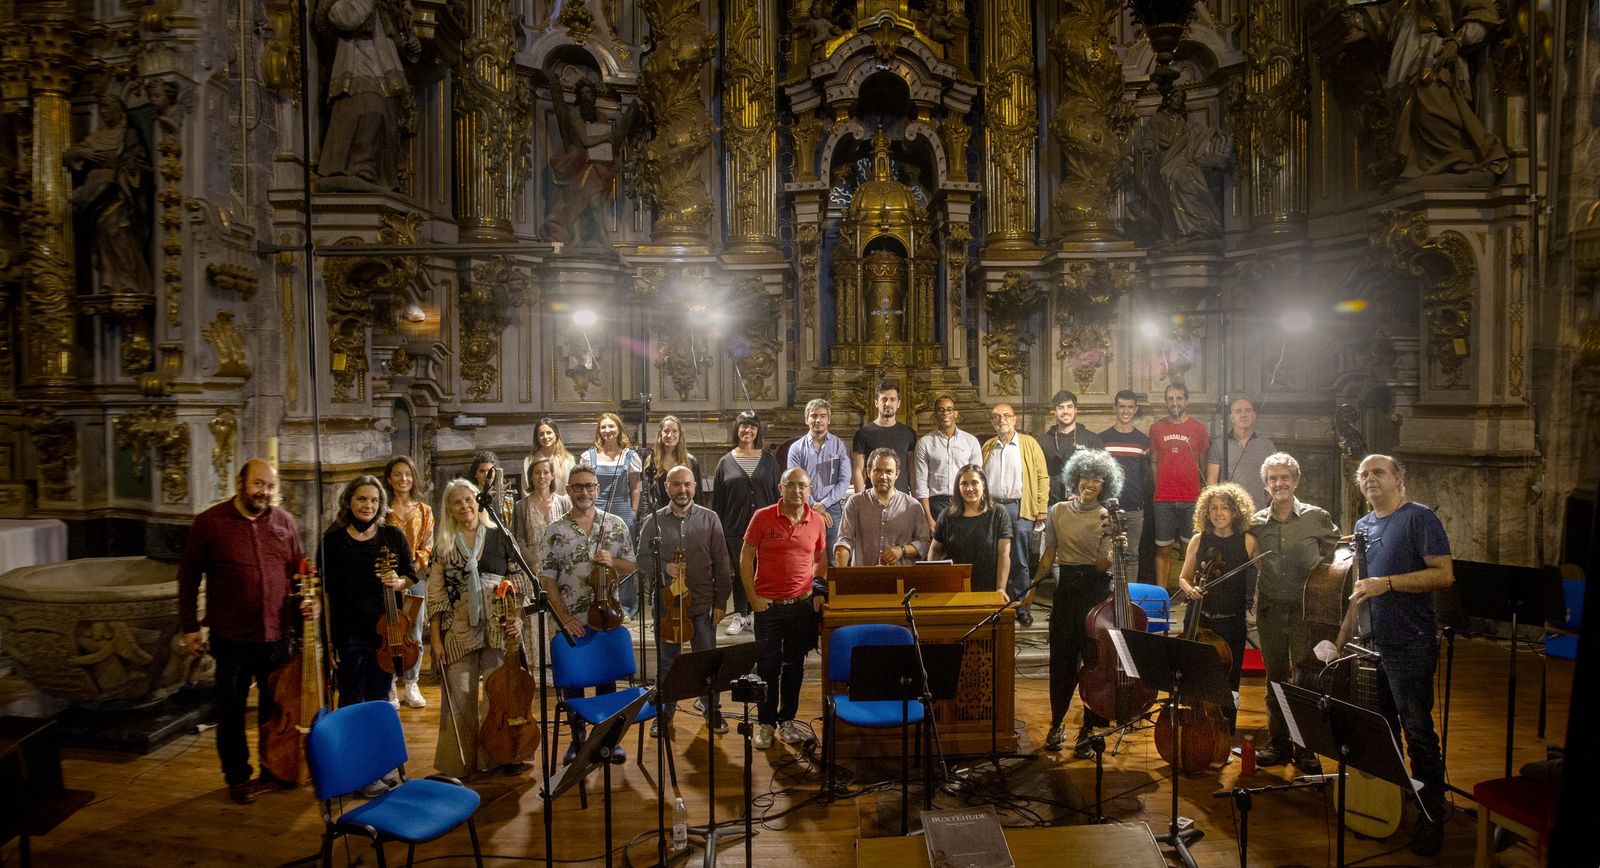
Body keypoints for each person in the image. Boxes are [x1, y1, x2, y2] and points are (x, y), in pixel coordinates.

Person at [1325, 454, 1453, 857]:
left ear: (1398, 478)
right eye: (1363, 474)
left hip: (1409, 642)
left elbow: (1444, 574)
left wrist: (1390, 583)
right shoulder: (1363, 526)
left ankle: (1432, 817)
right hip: (1370, 644)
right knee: (1381, 732)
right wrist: (1342, 639)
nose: (1369, 479)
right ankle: (1388, 804)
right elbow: (1361, 590)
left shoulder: (1419, 518)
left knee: (1416, 731)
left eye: (1378, 472)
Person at [177, 458, 315, 805]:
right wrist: (190, 628)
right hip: (231, 636)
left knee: (275, 711)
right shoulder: (210, 523)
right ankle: (238, 777)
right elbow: (188, 578)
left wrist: (310, 602)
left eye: (269, 486)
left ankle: (274, 768)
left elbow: (301, 569)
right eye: (258, 484)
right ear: (239, 483)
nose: (264, 492)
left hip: (277, 635)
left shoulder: (284, 521)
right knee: (232, 711)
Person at [426, 478, 535, 779]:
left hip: (499, 626)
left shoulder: (499, 535)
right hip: (459, 628)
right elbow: (435, 597)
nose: (465, 505)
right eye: (457, 502)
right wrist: (435, 642)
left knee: (498, 696)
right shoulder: (444, 545)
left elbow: (521, 581)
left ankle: (497, 756)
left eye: (469, 499)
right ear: (449, 509)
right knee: (459, 697)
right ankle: (458, 765)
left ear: (478, 501)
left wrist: (518, 619)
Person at [539, 464, 638, 764]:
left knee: (607, 680)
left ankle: (607, 739)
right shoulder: (555, 530)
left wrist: (612, 563)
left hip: (607, 614)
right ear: (568, 491)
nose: (584, 492)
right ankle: (578, 740)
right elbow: (548, 579)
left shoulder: (617, 524)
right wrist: (564, 618)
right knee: (575, 684)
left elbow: (631, 566)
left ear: (598, 489)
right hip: (571, 621)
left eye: (589, 486)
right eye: (578, 487)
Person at [1031, 450, 1125, 757]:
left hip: (1096, 594)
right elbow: (1050, 554)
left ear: (1104, 484)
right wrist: (1031, 588)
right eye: (1085, 477)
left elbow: (1101, 566)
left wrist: (1112, 548)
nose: (1090, 483)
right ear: (1075, 478)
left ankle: (1088, 730)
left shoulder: (1106, 516)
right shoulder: (1057, 511)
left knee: (1095, 664)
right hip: (1067, 592)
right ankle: (1057, 724)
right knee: (1061, 663)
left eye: (1097, 479)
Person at [1248, 452, 1338, 773]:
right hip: (1271, 610)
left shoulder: (1317, 518)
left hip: (1305, 613)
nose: (1279, 483)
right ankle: (1279, 741)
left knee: (1305, 680)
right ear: (1266, 485)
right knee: (1275, 678)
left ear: (1296, 481)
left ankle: (1305, 746)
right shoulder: (1256, 522)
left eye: (1284, 477)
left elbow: (1335, 554)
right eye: (1272, 479)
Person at [637, 466, 734, 734]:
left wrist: (720, 603)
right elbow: (641, 560)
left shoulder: (710, 518)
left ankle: (711, 709)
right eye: (677, 484)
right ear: (666, 487)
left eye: (687, 484)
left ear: (695, 486)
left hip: (702, 604)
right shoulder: (653, 521)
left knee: (706, 660)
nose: (683, 490)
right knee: (668, 662)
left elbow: (721, 563)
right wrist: (664, 567)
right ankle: (665, 712)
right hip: (668, 608)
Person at [322, 477, 418, 738]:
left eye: (374, 500)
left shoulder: (392, 535)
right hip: (350, 634)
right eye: (362, 499)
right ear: (349, 501)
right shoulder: (333, 542)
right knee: (350, 701)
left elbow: (410, 574)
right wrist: (329, 641)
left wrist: (399, 582)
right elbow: (328, 595)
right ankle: (352, 762)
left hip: (387, 634)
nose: (368, 505)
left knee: (379, 700)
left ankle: (378, 761)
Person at [740, 467, 828, 750]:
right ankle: (765, 724)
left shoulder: (817, 521)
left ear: (810, 489)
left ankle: (787, 719)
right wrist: (752, 597)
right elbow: (745, 558)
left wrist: (816, 589)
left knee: (795, 666)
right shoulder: (762, 517)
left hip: (801, 607)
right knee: (767, 667)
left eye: (802, 486)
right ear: (781, 488)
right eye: (791, 485)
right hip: (768, 607)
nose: (797, 491)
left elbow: (821, 557)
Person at [1176, 483, 1258, 732]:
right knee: (1196, 678)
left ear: (1236, 511)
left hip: (1231, 622)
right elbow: (1184, 577)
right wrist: (1190, 590)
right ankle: (1196, 730)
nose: (1219, 513)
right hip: (1200, 620)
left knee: (1230, 683)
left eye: (1225, 508)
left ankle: (1224, 733)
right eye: (1213, 508)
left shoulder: (1248, 541)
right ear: (1206, 511)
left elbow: (1264, 573)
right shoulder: (1199, 539)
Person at [314, 0, 419, 191]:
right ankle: (354, 167)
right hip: (357, 60)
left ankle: (382, 175)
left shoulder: (387, 7)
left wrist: (408, 45)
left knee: (386, 116)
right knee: (369, 108)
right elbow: (342, 17)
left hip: (384, 64)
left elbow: (396, 34)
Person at [710, 411, 782, 637]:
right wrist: (718, 529)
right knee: (741, 571)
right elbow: (718, 501)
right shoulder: (725, 462)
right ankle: (741, 614)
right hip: (734, 527)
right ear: (737, 429)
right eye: (743, 426)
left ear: (758, 430)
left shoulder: (769, 460)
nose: (747, 430)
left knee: (761, 570)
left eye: (752, 426)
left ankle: (756, 614)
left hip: (765, 529)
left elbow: (777, 494)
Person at [981, 403, 1050, 627]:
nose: (1001, 420)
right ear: (992, 422)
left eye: (1006, 416)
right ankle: (996, 604)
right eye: (996, 417)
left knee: (1020, 560)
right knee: (993, 558)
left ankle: (1022, 607)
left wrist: (1041, 508)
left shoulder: (1028, 444)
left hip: (1019, 508)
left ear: (1015, 420)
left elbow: (1042, 477)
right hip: (991, 509)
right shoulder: (988, 446)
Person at [383, 455, 432, 709]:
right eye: (398, 474)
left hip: (414, 579)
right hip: (387, 581)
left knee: (414, 633)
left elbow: (427, 545)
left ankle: (412, 685)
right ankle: (390, 683)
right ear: (389, 479)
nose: (403, 479)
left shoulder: (424, 510)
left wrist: (412, 569)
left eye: (408, 474)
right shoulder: (382, 511)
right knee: (391, 631)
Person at [581, 412, 642, 613]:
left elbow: (635, 487)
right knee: (596, 556)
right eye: (603, 427)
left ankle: (624, 605)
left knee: (622, 560)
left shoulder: (630, 456)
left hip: (622, 510)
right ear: (599, 431)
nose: (607, 430)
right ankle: (599, 601)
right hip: (595, 511)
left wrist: (633, 512)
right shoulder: (589, 456)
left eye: (611, 427)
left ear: (619, 430)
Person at [1151, 382, 1208, 589]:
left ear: (1186, 400)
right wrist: (1162, 485)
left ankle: (1190, 593)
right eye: (1170, 399)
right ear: (1166, 401)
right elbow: (1154, 462)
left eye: (1179, 398)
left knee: (1190, 549)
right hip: (1163, 499)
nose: (1174, 403)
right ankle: (1161, 596)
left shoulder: (1199, 428)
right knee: (1163, 549)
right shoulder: (1156, 428)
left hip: (1191, 498)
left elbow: (1203, 463)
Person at [834, 448, 931, 567]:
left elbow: (925, 543)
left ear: (897, 474)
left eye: (889, 472)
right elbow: (844, 541)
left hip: (901, 579)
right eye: (877, 471)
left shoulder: (913, 506)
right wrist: (842, 577)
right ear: (868, 472)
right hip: (863, 578)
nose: (883, 476)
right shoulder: (855, 503)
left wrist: (902, 550)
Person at [929, 465, 1012, 594]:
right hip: (954, 589)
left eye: (974, 483)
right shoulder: (946, 515)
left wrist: (1000, 588)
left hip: (990, 588)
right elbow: (934, 550)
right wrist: (935, 584)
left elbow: (1004, 554)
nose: (969, 488)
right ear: (958, 487)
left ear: (983, 484)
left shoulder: (998, 513)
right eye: (964, 484)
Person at [1100, 390, 1151, 581]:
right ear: (1115, 408)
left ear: (1135, 409)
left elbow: (1145, 475)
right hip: (1108, 507)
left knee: (1131, 555)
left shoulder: (1143, 441)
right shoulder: (1102, 438)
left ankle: (1129, 600)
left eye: (1130, 407)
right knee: (1110, 555)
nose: (1126, 411)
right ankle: (1110, 599)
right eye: (1122, 406)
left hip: (1135, 506)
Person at [787, 398, 850, 552]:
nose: (818, 420)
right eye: (813, 416)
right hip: (803, 508)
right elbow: (795, 483)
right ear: (806, 419)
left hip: (833, 509)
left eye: (822, 416)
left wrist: (825, 504)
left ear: (829, 420)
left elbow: (844, 480)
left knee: (833, 557)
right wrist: (814, 507)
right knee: (806, 555)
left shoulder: (839, 445)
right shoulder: (796, 449)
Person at [913, 395, 983, 531]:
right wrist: (928, 518)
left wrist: (975, 510)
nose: (945, 413)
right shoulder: (925, 443)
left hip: (965, 502)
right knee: (940, 550)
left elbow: (977, 480)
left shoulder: (971, 441)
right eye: (940, 410)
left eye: (949, 410)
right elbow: (921, 482)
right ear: (935, 415)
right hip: (936, 504)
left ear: (956, 414)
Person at [1206, 397, 1275, 510]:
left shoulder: (1267, 445)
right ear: (1231, 418)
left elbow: (1275, 477)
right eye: (1238, 411)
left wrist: (1265, 500)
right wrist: (1219, 505)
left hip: (1258, 510)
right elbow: (1212, 479)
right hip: (1229, 510)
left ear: (1254, 416)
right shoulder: (1219, 444)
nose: (1244, 414)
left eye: (1248, 410)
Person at [851, 379, 917, 495]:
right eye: (884, 399)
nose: (888, 403)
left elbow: (912, 470)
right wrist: (861, 501)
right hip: (873, 498)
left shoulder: (908, 433)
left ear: (898, 403)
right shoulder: (863, 433)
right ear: (877, 402)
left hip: (901, 499)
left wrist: (915, 500)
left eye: (892, 399)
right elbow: (858, 470)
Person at [1040, 390, 1104, 506]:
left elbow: (1101, 474)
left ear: (1076, 410)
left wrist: (1085, 495)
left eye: (1069, 407)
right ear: (1054, 412)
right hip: (1051, 506)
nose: (1065, 411)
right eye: (1061, 407)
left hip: (1084, 505)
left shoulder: (1092, 440)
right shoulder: (1042, 441)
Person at [510, 455, 572, 573]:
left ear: (552, 476)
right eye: (537, 473)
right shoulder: (521, 506)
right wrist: (533, 565)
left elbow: (571, 535)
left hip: (561, 566)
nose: (542, 476)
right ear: (531, 477)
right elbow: (519, 540)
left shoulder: (563, 503)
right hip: (532, 568)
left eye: (546, 472)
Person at [645, 414, 701, 512]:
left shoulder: (691, 461)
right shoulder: (651, 461)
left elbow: (698, 497)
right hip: (659, 517)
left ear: (680, 434)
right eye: (666, 431)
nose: (670, 435)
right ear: (660, 434)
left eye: (674, 431)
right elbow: (646, 496)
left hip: (686, 516)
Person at [525, 417, 576, 491]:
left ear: (556, 434)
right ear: (537, 438)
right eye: (541, 434)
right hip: (536, 502)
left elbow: (572, 488)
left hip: (563, 502)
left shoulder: (568, 459)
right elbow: (526, 490)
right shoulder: (529, 461)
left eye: (549, 433)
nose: (545, 437)